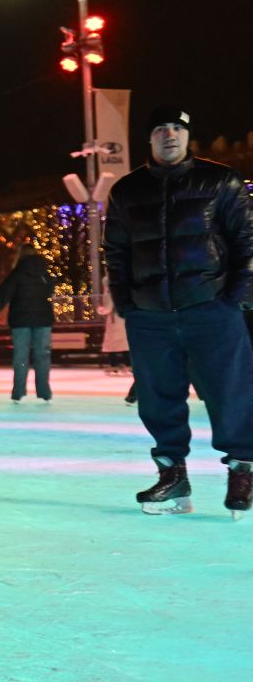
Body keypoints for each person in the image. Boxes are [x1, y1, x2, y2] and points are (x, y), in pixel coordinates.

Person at [103, 103, 253, 517]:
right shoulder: (127, 191)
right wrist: (127, 302)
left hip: (211, 307)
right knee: (157, 397)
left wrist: (235, 296)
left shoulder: (220, 181)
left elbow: (246, 240)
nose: (169, 135)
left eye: (177, 128)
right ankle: (173, 478)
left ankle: (242, 469)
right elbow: (115, 251)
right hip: (150, 315)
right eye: (160, 129)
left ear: (187, 136)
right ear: (148, 138)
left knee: (231, 390)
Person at [0, 243, 55, 404]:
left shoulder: (17, 274)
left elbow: (3, 295)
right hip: (43, 319)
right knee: (42, 356)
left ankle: (18, 392)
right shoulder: (44, 274)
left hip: (20, 320)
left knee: (21, 356)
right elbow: (50, 291)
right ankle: (44, 392)